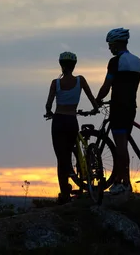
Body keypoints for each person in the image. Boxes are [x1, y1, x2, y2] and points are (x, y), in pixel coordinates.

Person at [45, 51, 100, 204]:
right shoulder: (80, 80)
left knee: (61, 158)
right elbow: (92, 99)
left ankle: (64, 193)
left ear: (61, 65)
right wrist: (95, 109)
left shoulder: (55, 83)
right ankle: (79, 176)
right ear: (74, 65)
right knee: (70, 151)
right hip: (71, 121)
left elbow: (48, 104)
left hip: (58, 121)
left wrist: (48, 111)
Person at [95, 27, 140, 196]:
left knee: (120, 146)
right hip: (131, 107)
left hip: (118, 107)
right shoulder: (137, 61)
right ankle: (122, 180)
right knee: (123, 144)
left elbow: (107, 86)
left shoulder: (115, 62)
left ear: (116, 44)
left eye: (110, 44)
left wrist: (97, 101)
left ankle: (123, 183)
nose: (109, 48)